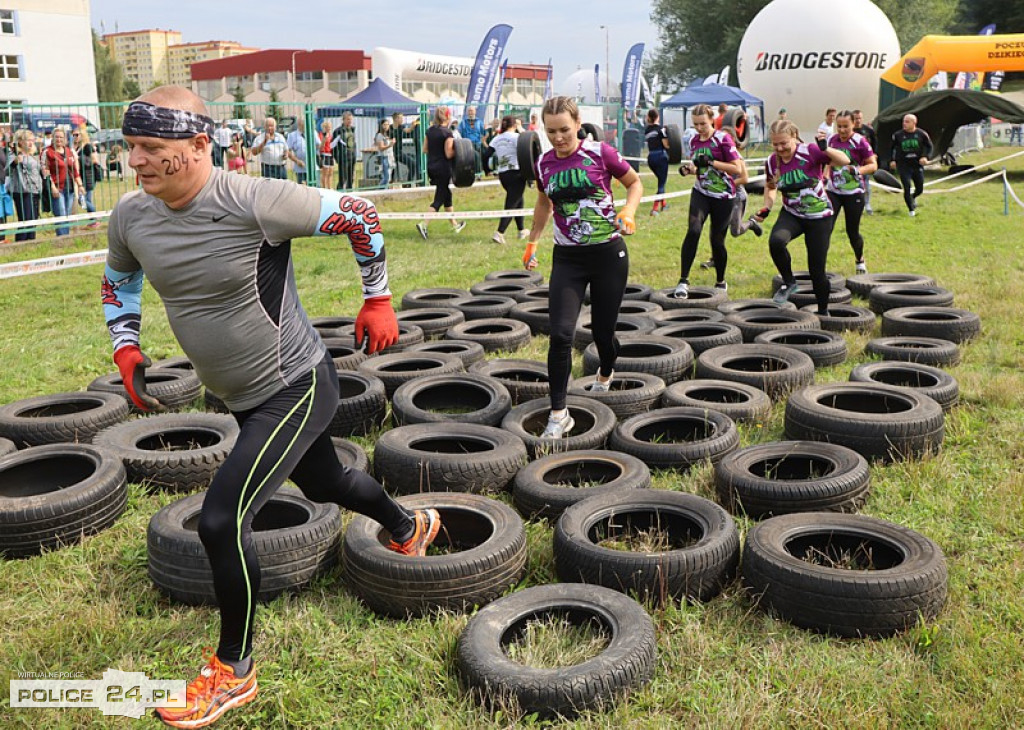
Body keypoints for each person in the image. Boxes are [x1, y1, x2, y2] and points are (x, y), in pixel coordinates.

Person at [105, 86, 441, 729]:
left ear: (199, 145)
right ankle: (407, 527)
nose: (137, 161)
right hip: (237, 393)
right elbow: (119, 278)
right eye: (131, 147)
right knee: (326, 479)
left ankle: (233, 672)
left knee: (220, 520)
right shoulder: (131, 216)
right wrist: (126, 346)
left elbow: (360, 212)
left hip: (296, 382)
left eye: (153, 148)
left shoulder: (255, 200)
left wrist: (378, 299)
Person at [522, 95, 642, 438]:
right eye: (550, 131)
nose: (558, 138)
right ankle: (559, 413)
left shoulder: (599, 153)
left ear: (577, 125)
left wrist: (628, 212)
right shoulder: (544, 163)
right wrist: (533, 242)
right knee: (560, 335)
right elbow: (544, 203)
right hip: (568, 258)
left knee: (603, 333)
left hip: (608, 255)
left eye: (564, 130)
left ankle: (606, 371)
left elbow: (634, 183)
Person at [753, 119, 852, 316]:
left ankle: (823, 311)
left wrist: (826, 148)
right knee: (776, 242)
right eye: (775, 144)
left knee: (816, 271)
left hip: (819, 217)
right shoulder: (772, 161)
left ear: (794, 137)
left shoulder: (811, 151)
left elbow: (844, 161)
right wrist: (767, 206)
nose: (780, 148)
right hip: (793, 214)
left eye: (784, 143)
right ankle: (789, 282)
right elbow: (771, 187)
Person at [673, 104, 745, 299]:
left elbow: (737, 169)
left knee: (717, 240)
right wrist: (690, 170)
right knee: (693, 230)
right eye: (696, 124)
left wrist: (712, 162)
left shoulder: (723, 138)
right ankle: (683, 280)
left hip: (723, 196)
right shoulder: (695, 140)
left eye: (703, 124)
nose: (699, 128)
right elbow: (699, 167)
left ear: (712, 119)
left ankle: (721, 281)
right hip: (701, 192)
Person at [826, 110, 877, 274]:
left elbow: (873, 166)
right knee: (825, 228)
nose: (841, 130)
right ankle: (819, 265)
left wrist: (857, 170)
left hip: (854, 193)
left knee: (852, 231)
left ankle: (860, 260)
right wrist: (825, 176)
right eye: (839, 126)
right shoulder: (832, 140)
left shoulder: (860, 141)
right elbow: (828, 161)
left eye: (845, 126)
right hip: (833, 192)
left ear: (854, 124)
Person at [416, 106, 465, 239]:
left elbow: (425, 149)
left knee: (446, 195)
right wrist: (461, 150)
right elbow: (449, 153)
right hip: (443, 168)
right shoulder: (447, 133)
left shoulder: (430, 131)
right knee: (439, 199)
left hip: (432, 166)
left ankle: (455, 225)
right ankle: (423, 224)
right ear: (448, 117)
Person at [483, 115, 527, 243]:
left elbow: (486, 155)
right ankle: (499, 232)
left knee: (518, 199)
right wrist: (521, 129)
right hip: (517, 172)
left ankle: (521, 230)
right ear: (514, 125)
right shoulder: (518, 137)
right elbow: (530, 145)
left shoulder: (497, 138)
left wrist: (487, 170)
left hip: (503, 175)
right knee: (511, 203)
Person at [41, 127, 83, 237]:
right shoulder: (47, 152)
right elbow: (45, 171)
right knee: (61, 214)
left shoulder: (68, 151)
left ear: (64, 138)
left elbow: (74, 170)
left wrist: (80, 185)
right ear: (52, 138)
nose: (59, 139)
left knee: (67, 215)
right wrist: (52, 187)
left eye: (61, 137)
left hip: (69, 188)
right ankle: (61, 238)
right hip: (57, 188)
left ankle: (66, 237)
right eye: (57, 137)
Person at [889, 113, 932, 217]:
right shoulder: (897, 135)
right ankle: (911, 210)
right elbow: (891, 149)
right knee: (907, 187)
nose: (904, 124)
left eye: (907, 122)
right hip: (904, 165)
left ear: (914, 123)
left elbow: (929, 147)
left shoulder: (922, 134)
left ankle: (913, 197)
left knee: (920, 188)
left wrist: (925, 157)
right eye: (903, 121)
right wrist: (892, 160)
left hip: (917, 165)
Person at [6, 129, 43, 241]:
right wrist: (16, 162)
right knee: (26, 220)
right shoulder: (14, 154)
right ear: (21, 142)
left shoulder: (32, 155)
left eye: (32, 140)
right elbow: (7, 170)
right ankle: (21, 243)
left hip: (35, 190)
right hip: (23, 191)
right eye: (28, 140)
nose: (31, 143)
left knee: (33, 220)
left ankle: (31, 242)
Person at [73, 126, 102, 228]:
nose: (74, 137)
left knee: (82, 201)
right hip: (78, 177)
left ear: (82, 135)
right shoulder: (75, 147)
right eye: (73, 135)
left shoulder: (87, 147)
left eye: (77, 135)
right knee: (86, 200)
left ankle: (95, 217)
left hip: (88, 177)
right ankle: (93, 220)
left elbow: (94, 160)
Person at [644, 108, 670, 216]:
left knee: (660, 180)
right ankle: (654, 209)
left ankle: (664, 204)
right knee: (661, 184)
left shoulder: (647, 130)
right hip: (661, 156)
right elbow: (666, 145)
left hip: (651, 158)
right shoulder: (661, 129)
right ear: (658, 117)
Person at [852, 109, 877, 214]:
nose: (858, 120)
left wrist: (874, 155)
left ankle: (867, 204)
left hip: (865, 161)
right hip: (852, 161)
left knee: (866, 183)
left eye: (859, 118)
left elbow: (875, 143)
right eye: (856, 118)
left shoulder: (868, 130)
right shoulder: (850, 130)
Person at [332, 112, 356, 191]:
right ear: (343, 120)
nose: (350, 121)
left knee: (351, 178)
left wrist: (354, 154)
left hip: (351, 156)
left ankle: (350, 193)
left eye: (351, 119)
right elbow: (332, 146)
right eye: (348, 119)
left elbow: (352, 143)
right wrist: (337, 158)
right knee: (343, 178)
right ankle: (339, 193)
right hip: (343, 157)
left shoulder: (352, 129)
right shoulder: (338, 131)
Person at [458, 105, 485, 172]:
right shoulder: (463, 122)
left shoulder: (479, 122)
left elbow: (485, 133)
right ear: (467, 112)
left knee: (477, 157)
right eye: (469, 111)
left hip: (477, 144)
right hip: (467, 145)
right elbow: (458, 132)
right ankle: (471, 172)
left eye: (472, 111)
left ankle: (478, 173)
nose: (470, 112)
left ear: (475, 112)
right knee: (470, 159)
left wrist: (482, 141)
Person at [284, 117, 310, 185]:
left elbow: (318, 146)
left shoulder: (312, 132)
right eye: (302, 125)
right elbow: (288, 151)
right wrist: (297, 161)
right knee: (302, 187)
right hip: (300, 169)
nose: (304, 127)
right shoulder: (292, 136)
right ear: (298, 125)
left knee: (314, 188)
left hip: (312, 168)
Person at [370, 118, 395, 189]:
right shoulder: (380, 135)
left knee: (389, 177)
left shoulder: (388, 135)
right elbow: (381, 147)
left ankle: (385, 191)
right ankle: (379, 190)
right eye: (384, 125)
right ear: (381, 125)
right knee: (386, 177)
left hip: (390, 157)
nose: (386, 126)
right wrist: (389, 145)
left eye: (387, 124)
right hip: (384, 157)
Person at [318, 120, 334, 190]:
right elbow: (321, 146)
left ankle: (329, 187)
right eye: (327, 127)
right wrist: (325, 138)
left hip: (331, 154)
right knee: (325, 172)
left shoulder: (331, 135)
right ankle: (324, 188)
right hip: (325, 154)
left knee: (330, 172)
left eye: (330, 127)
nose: (329, 128)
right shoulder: (321, 135)